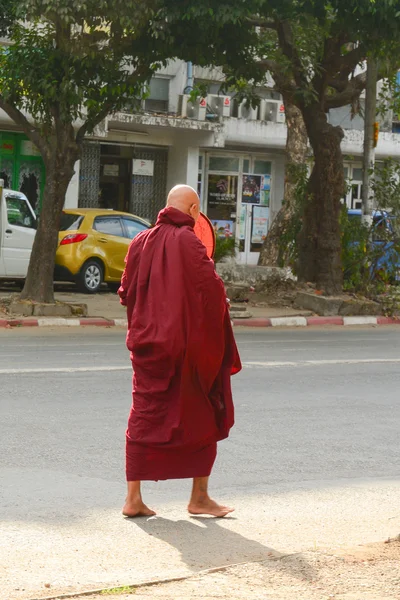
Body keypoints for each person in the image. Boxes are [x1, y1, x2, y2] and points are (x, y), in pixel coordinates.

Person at [118, 184, 241, 518]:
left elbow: (126, 291)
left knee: (144, 415)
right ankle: (199, 497)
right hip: (182, 349)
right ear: (193, 211)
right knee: (203, 413)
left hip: (146, 347)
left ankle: (133, 499)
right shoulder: (189, 241)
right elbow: (210, 289)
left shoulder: (139, 242)